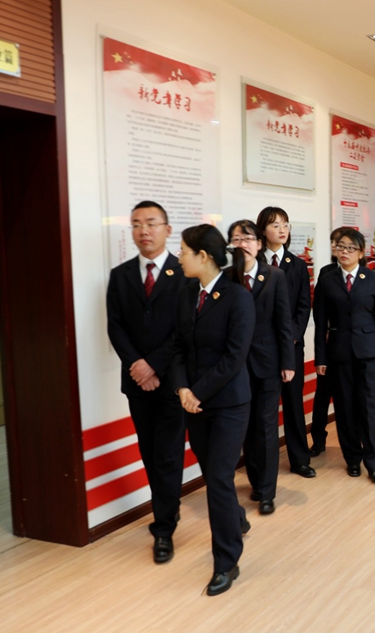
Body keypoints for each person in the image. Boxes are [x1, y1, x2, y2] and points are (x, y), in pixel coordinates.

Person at [171, 224, 255, 595]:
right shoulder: (186, 293)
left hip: (228, 404)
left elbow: (234, 357)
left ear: (203, 256)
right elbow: (177, 347)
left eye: (183, 251)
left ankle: (226, 561)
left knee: (219, 477)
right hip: (195, 402)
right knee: (213, 475)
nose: (179, 257)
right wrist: (181, 388)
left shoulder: (238, 297)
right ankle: (236, 518)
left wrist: (197, 392)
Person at [106, 200, 188, 565]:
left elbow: (185, 329)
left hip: (173, 381)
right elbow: (115, 327)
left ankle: (164, 529)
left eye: (152, 223)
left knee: (168, 454)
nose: (144, 230)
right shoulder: (121, 275)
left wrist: (153, 364)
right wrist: (137, 365)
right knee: (150, 452)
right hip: (136, 383)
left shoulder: (184, 273)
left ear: (167, 229)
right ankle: (167, 508)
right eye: (137, 224)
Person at [314, 228, 375, 483]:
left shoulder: (374, 279)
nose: (344, 252)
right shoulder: (327, 280)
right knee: (345, 408)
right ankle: (352, 459)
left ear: (361, 253)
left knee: (368, 409)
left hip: (368, 353)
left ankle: (374, 462)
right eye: (340, 247)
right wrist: (320, 358)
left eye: (350, 248)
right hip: (338, 353)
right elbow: (320, 322)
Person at [228, 220, 294, 516]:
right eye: (236, 239)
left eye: (247, 239)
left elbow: (283, 321)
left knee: (266, 427)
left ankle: (267, 491)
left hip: (267, 363)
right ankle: (255, 481)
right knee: (244, 427)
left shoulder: (275, 276)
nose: (242, 244)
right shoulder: (225, 277)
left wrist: (288, 362)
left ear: (258, 244)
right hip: (234, 366)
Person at [257, 206, 316, 478]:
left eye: (285, 224)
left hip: (290, 346)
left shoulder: (298, 265)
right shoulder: (254, 262)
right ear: (262, 230)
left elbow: (304, 307)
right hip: (259, 349)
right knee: (261, 410)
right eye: (275, 225)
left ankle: (300, 460)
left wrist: (290, 336)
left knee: (293, 405)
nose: (282, 230)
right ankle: (260, 466)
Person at [310, 227, 345, 456]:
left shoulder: (365, 274)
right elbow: (319, 312)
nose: (336, 247)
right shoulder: (326, 272)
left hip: (351, 346)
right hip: (330, 342)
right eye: (334, 243)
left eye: (341, 243)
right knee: (322, 395)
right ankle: (318, 439)